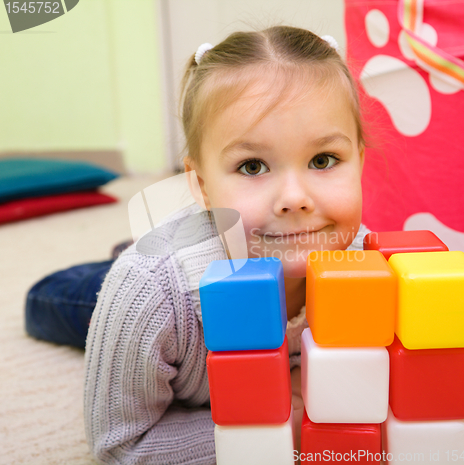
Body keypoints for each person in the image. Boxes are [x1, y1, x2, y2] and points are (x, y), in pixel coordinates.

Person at [83, 25, 371, 464]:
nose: (295, 198)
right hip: (140, 286)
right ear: (201, 185)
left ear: (359, 161)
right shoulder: (149, 292)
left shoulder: (371, 263)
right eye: (253, 166)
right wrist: (286, 426)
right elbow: (121, 446)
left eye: (323, 160)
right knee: (57, 299)